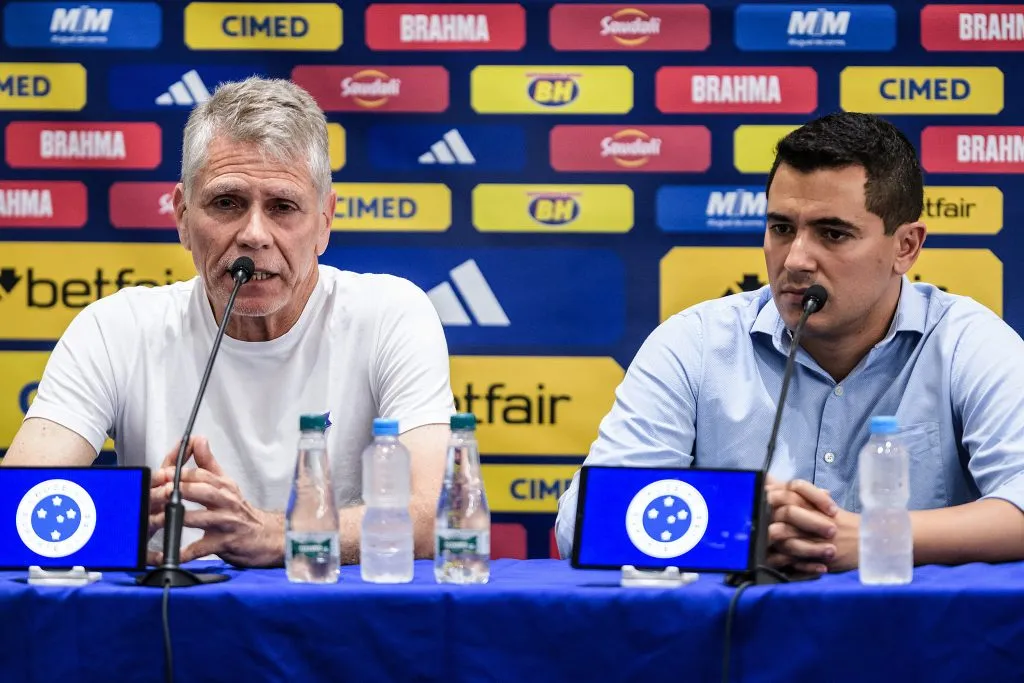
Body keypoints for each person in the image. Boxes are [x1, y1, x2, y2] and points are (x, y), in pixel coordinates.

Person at [2, 77, 455, 567]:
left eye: (283, 207)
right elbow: (15, 508)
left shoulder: (390, 315)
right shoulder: (115, 329)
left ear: (324, 221)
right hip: (170, 610)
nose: (254, 235)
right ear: (182, 216)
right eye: (227, 203)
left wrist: (275, 535)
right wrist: (126, 522)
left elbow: (434, 514)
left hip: (331, 609)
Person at [556, 111, 1024, 575]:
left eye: (833, 234)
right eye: (781, 228)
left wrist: (876, 537)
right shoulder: (694, 343)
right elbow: (579, 523)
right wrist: (741, 522)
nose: (796, 260)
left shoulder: (966, 342)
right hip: (738, 623)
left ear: (906, 247)